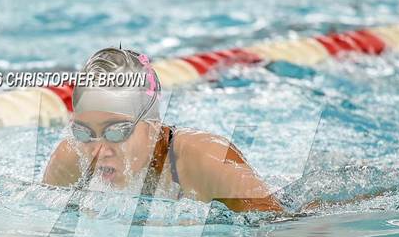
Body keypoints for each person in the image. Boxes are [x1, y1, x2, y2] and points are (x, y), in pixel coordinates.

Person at [43, 47, 283, 213]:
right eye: (84, 133)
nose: (98, 151)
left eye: (116, 132)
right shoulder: (71, 160)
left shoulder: (208, 160)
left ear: (152, 127)